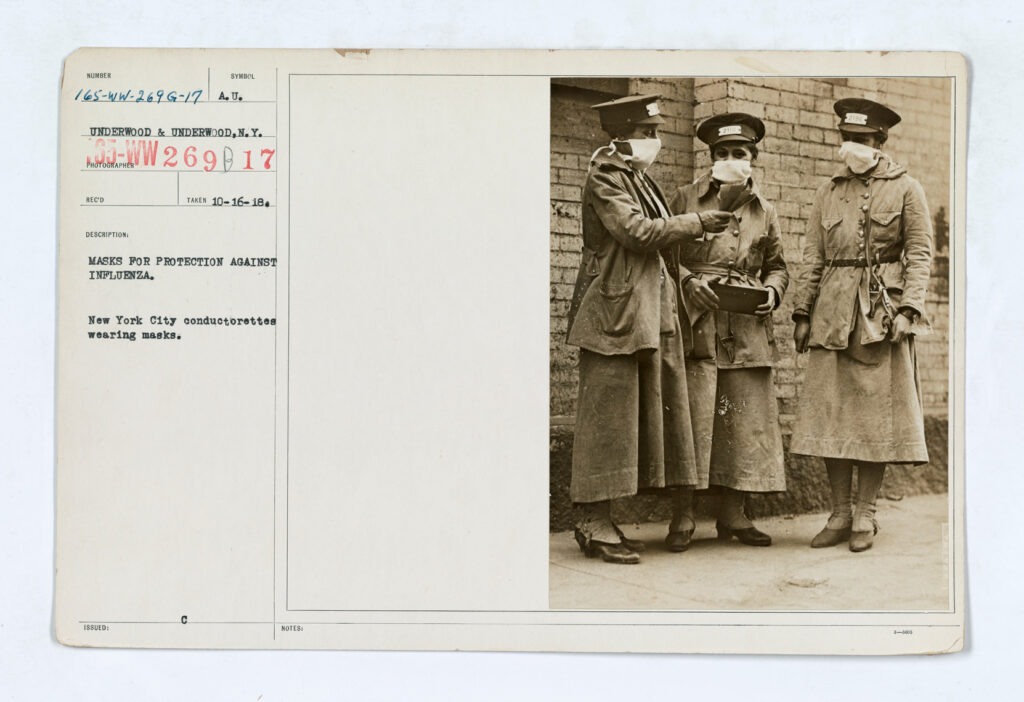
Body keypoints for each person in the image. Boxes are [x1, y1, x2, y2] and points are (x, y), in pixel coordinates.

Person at [565, 94, 732, 564]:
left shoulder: (638, 178)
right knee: (606, 420)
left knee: (626, 421)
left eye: (655, 133)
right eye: (648, 133)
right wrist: (695, 222)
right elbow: (636, 232)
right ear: (621, 136)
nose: (655, 142)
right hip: (613, 317)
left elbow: (658, 250)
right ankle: (592, 522)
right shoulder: (605, 176)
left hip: (643, 315)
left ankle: (604, 520)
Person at [790, 98, 933, 552]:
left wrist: (909, 310)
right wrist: (801, 312)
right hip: (831, 314)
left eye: (863, 140)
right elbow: (814, 255)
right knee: (833, 412)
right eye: (847, 138)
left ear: (881, 142)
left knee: (874, 419)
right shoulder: (827, 192)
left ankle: (866, 515)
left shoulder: (908, 189)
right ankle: (838, 512)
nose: (853, 147)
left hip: (881, 316)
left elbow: (920, 254)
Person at [668, 113, 789, 549]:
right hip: (698, 320)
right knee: (693, 416)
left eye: (739, 153)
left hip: (746, 327)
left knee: (742, 420)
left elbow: (776, 265)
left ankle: (734, 515)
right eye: (722, 153)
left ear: (753, 159)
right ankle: (682, 515)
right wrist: (687, 281)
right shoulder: (685, 197)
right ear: (711, 158)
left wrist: (773, 292)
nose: (731, 160)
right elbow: (664, 254)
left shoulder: (765, 210)